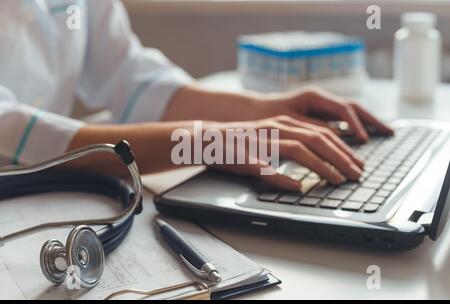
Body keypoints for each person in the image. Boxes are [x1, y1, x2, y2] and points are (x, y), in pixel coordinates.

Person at [0, 0, 393, 191]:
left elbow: (127, 74)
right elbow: (11, 128)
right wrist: (203, 142)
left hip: (46, 193)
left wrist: (263, 111)